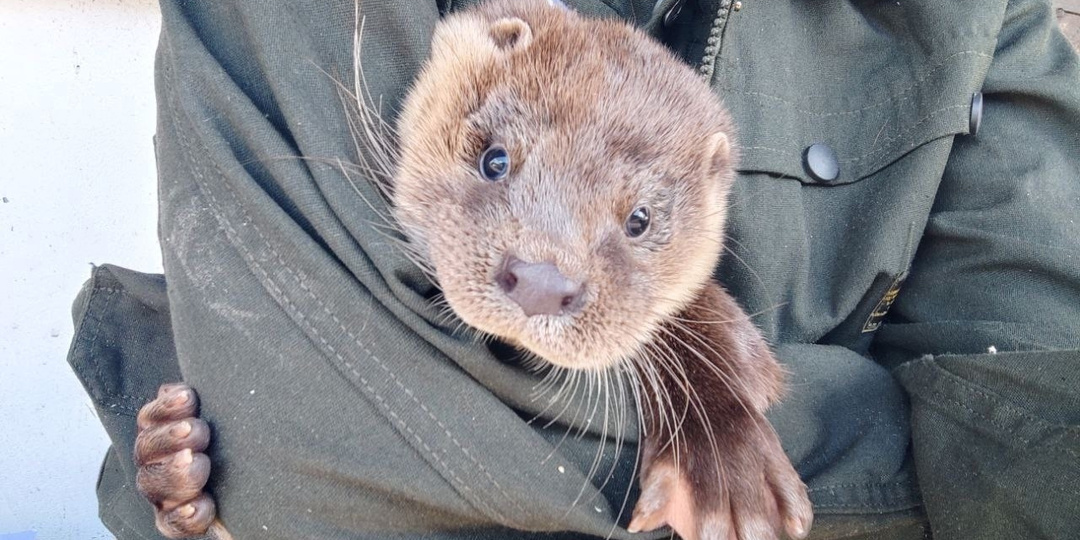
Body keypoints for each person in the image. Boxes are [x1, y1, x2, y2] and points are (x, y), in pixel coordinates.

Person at [68, 0, 1080, 538]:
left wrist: (723, 412)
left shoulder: (980, 24)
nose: (540, 275)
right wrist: (722, 405)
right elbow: (311, 458)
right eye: (495, 163)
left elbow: (1033, 445)